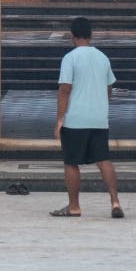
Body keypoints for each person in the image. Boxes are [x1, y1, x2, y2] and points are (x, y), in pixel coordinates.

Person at [50, 16, 122, 219]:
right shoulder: (102, 57)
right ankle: (115, 202)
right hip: (99, 118)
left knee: (71, 162)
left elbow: (64, 89)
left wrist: (59, 119)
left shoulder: (70, 58)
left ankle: (74, 206)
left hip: (75, 118)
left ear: (72, 36)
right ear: (91, 35)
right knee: (103, 160)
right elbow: (109, 87)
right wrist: (101, 107)